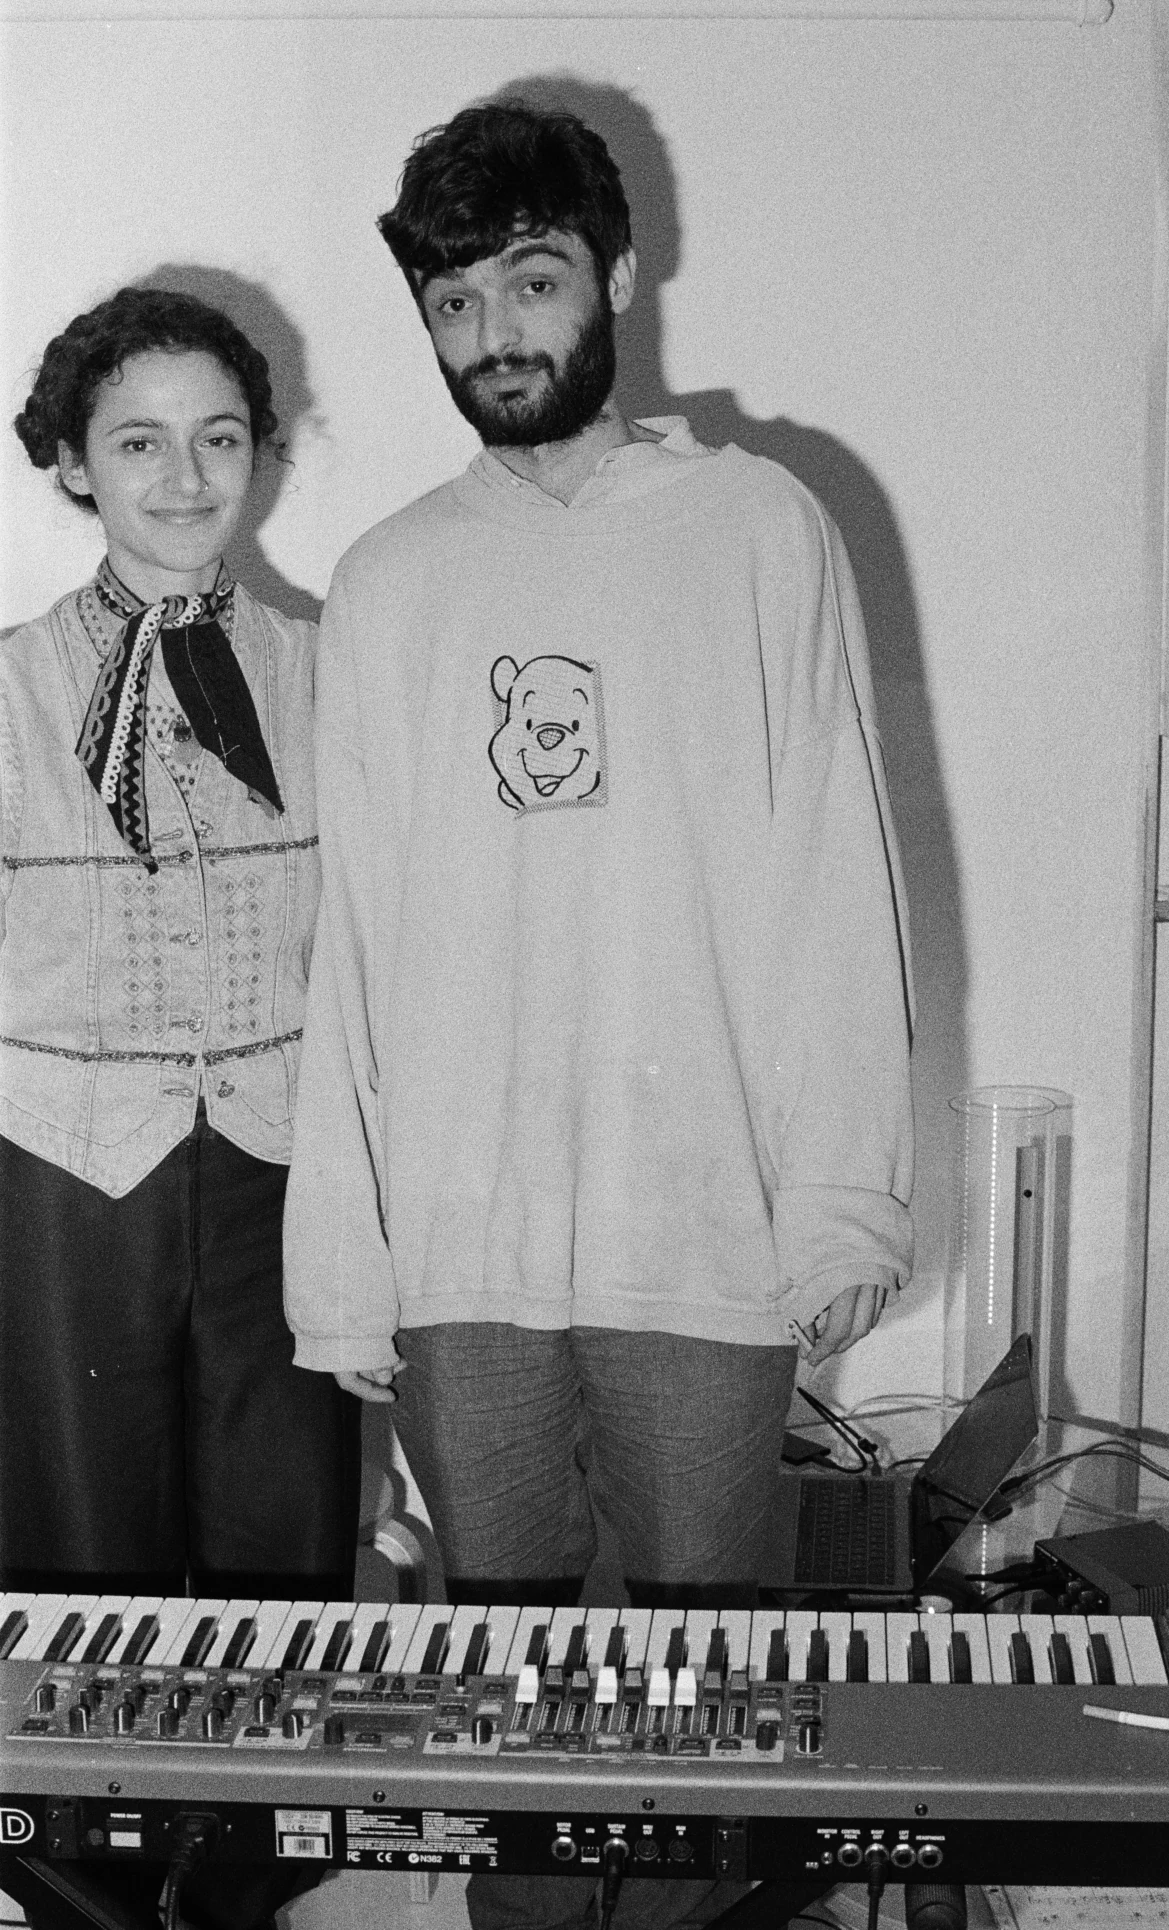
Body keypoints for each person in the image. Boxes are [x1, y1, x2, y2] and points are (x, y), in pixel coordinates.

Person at [283, 100, 913, 1930]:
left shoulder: (759, 529)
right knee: (511, 1735)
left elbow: (834, 880)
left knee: (712, 1726)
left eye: (532, 283)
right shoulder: (393, 581)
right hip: (465, 1256)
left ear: (617, 277)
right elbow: (363, 954)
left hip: (700, 1231)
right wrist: (348, 1262)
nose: (496, 336)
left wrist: (847, 1196)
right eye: (458, 301)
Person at [1, 286, 360, 1930]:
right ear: (74, 463)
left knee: (284, 1541)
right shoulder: (6, 692)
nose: (185, 474)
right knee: (78, 1545)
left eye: (219, 437)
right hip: (69, 1170)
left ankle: (241, 1878)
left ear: (260, 456)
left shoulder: (325, 669)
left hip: (282, 1157)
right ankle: (77, 1883)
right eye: (139, 440)